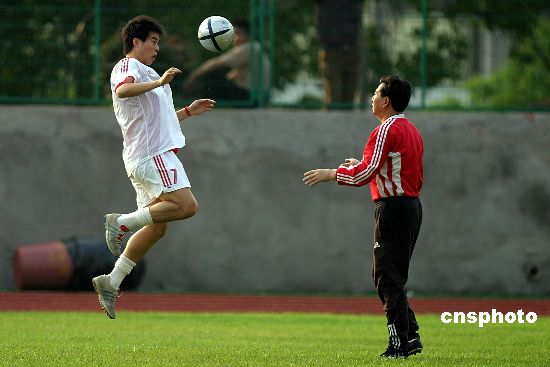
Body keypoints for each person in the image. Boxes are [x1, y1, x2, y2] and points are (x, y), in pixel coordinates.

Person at [92, 15, 215, 319]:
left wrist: (187, 111)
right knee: (187, 206)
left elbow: (158, 121)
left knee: (157, 227)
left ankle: (112, 281)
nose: (157, 47)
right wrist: (159, 82)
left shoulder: (148, 74)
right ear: (136, 41)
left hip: (148, 154)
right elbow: (122, 90)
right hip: (152, 155)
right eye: (153, 41)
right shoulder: (128, 66)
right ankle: (121, 222)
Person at [303, 75, 424, 358]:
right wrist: (361, 165)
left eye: (376, 93)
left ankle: (399, 344)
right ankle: (411, 335)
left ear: (386, 100)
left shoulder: (385, 130)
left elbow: (366, 174)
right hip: (410, 207)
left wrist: (331, 174)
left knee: (386, 277)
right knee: (388, 275)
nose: (372, 98)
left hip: (393, 208)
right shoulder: (411, 129)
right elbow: (389, 168)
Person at [184, 19, 270, 104]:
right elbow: (232, 75)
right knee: (220, 74)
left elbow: (216, 63)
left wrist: (193, 76)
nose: (234, 38)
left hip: (250, 95)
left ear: (248, 35)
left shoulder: (248, 48)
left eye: (237, 34)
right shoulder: (255, 48)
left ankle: (203, 103)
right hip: (257, 95)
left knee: (213, 72)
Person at [315, 0, 364, 109]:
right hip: (331, 47)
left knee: (348, 98)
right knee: (334, 98)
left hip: (350, 46)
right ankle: (333, 122)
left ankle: (342, 121)